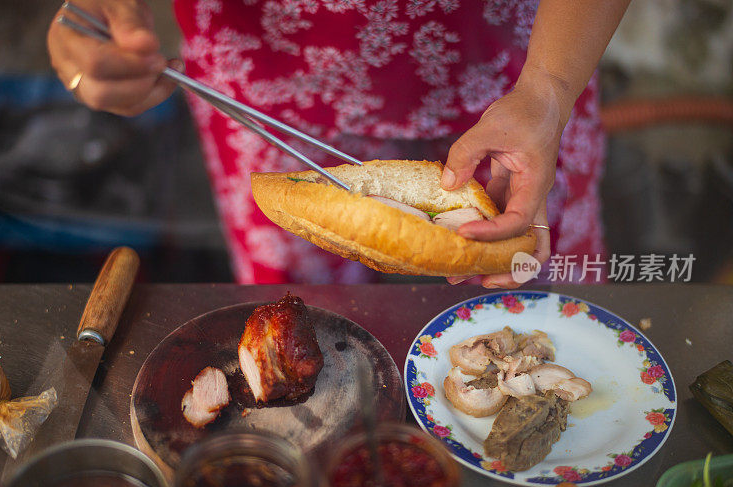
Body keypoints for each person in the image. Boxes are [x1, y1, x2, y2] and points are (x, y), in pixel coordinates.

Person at [47, 0, 630, 286]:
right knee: (307, 336)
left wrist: (548, 92)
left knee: (542, 308)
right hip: (261, 101)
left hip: (524, 87)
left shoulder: (538, 93)